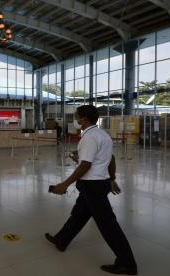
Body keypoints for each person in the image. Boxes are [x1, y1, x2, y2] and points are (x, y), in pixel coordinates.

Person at [45, 105, 137, 275]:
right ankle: (61, 240)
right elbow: (110, 159)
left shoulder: (89, 138)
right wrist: (111, 179)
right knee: (79, 214)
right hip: (98, 183)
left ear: (84, 119)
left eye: (77, 116)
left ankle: (127, 263)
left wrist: (65, 184)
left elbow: (86, 165)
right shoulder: (102, 135)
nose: (76, 119)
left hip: (92, 186)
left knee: (108, 225)